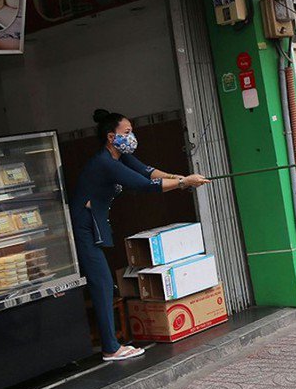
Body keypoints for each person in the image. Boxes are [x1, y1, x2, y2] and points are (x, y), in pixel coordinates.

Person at [71, 110, 210, 361]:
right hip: (84, 228)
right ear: (111, 137)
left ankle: (111, 345)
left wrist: (182, 178)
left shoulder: (120, 157)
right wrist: (184, 183)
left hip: (93, 226)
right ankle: (111, 348)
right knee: (102, 285)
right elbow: (145, 186)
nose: (131, 137)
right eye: (126, 133)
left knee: (103, 284)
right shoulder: (105, 163)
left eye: (132, 131)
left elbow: (149, 172)